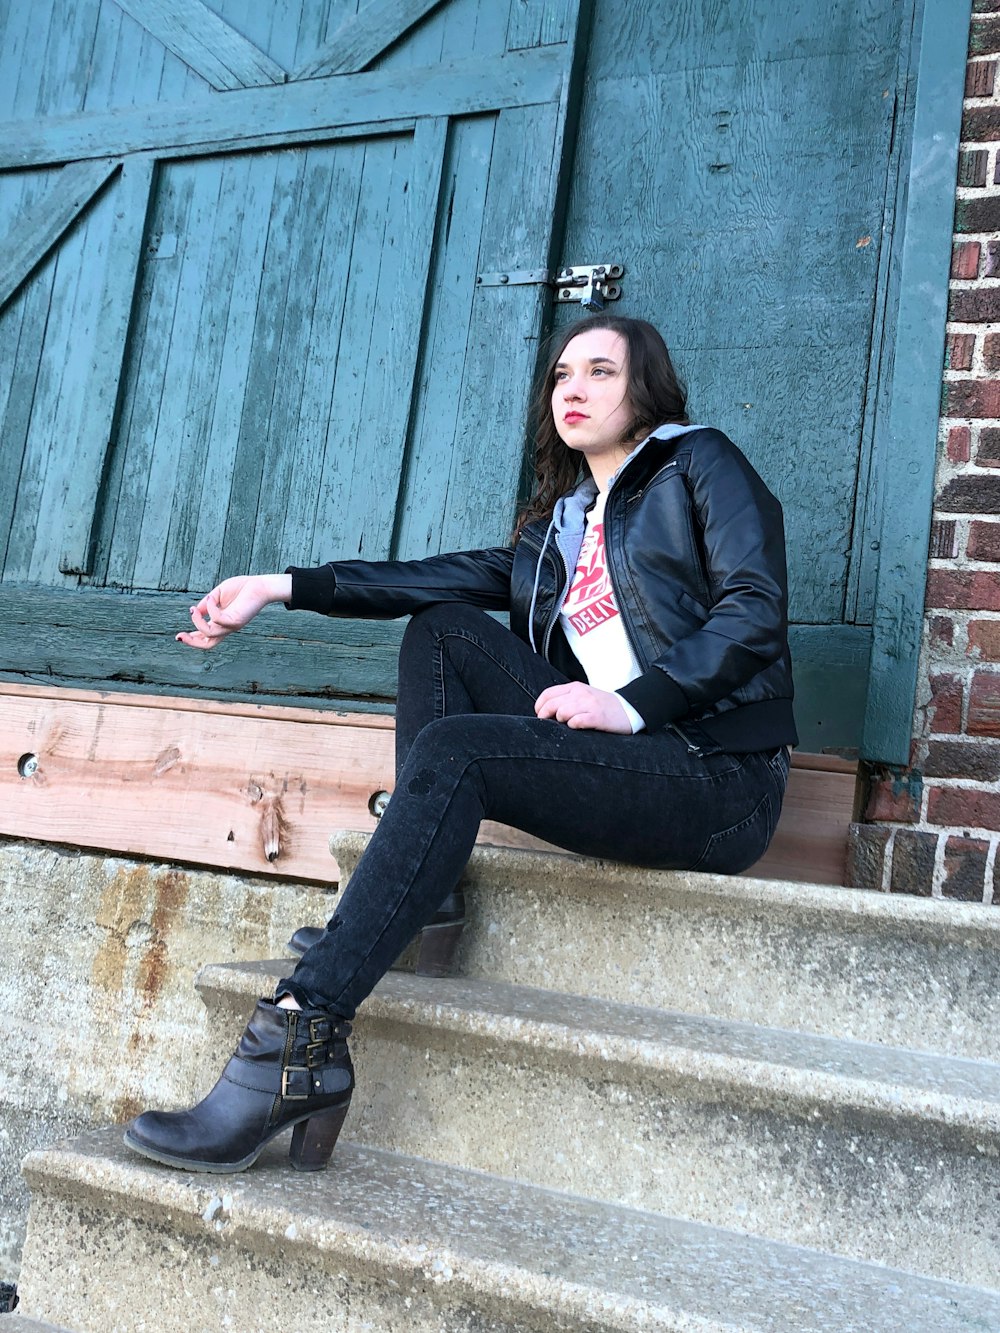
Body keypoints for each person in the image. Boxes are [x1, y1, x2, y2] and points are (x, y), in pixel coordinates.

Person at [123, 314, 796, 1174]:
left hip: (719, 779)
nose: (575, 389)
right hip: (637, 757)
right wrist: (277, 586)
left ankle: (298, 1039)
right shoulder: (559, 530)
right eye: (561, 376)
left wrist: (631, 704)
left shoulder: (701, 463)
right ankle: (424, 907)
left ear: (647, 389)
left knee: (459, 750)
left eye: (600, 371)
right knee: (441, 628)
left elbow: (753, 610)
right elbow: (426, 578)